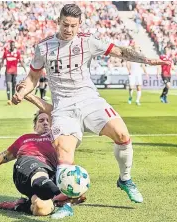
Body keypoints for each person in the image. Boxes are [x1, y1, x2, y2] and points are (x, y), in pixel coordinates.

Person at [12, 4, 168, 204]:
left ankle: (125, 179)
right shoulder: (43, 47)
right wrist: (23, 92)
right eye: (65, 24)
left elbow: (120, 51)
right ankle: (66, 203)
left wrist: (146, 59)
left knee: (122, 134)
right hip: (63, 107)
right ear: (58, 22)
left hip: (89, 99)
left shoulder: (88, 42)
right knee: (64, 154)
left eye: (73, 26)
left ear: (79, 25)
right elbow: (33, 77)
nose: (69, 29)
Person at [0, 98, 86, 219]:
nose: (45, 123)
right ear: (35, 126)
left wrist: (74, 186)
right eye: (41, 120)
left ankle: (22, 205)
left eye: (48, 120)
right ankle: (61, 196)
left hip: (48, 178)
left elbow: (67, 164)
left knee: (41, 209)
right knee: (39, 172)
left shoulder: (58, 140)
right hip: (25, 168)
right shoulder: (25, 139)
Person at [0, 41, 27, 105]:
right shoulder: (6, 52)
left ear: (14, 46)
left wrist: (25, 69)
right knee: (8, 85)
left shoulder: (17, 53)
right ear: (10, 46)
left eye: (13, 45)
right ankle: (8, 100)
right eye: (11, 45)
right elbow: (2, 62)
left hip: (14, 72)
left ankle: (12, 99)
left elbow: (21, 62)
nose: (12, 46)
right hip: (8, 72)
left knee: (14, 86)